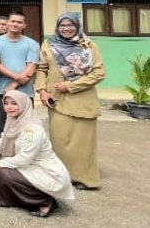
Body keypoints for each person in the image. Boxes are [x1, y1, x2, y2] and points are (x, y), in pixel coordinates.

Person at [35, 12, 106, 190]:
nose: (66, 28)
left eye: (70, 25)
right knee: (60, 140)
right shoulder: (49, 44)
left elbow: (98, 73)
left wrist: (70, 86)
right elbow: (42, 68)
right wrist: (42, 91)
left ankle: (85, 178)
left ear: (77, 26)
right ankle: (62, 176)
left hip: (83, 100)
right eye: (62, 25)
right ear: (57, 27)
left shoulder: (88, 46)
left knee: (83, 142)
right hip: (57, 100)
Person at [0, 90, 74, 218]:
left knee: (3, 172)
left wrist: (0, 163)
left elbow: (24, 158)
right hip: (33, 166)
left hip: (47, 172)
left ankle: (46, 201)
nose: (9, 107)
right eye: (6, 103)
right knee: (3, 171)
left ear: (23, 105)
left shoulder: (31, 129)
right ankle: (29, 198)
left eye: (14, 103)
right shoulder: (15, 121)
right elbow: (8, 143)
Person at [0, 12, 39, 137]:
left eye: (19, 22)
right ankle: (4, 153)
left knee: (26, 128)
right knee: (2, 128)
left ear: (24, 25)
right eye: (13, 21)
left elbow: (31, 67)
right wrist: (18, 77)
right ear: (8, 24)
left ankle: (23, 154)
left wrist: (14, 85)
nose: (15, 24)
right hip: (3, 91)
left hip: (25, 92)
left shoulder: (32, 44)